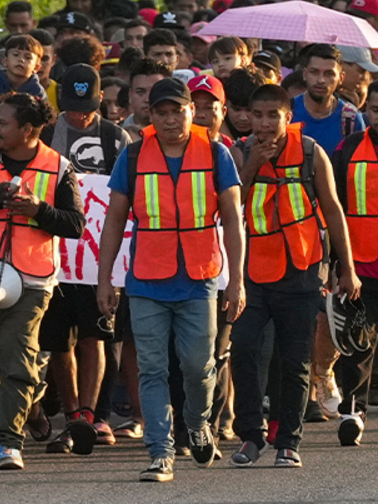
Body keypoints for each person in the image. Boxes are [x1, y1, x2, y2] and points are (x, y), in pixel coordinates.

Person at [97, 78, 245, 482]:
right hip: (146, 279)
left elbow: (233, 220)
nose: (169, 119)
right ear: (151, 115)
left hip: (199, 279)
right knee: (152, 369)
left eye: (176, 111)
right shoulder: (132, 156)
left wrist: (237, 282)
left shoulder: (216, 154)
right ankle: (160, 452)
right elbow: (113, 220)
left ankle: (197, 423)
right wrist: (104, 279)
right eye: (160, 112)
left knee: (199, 366)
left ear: (190, 111)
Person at [0, 94, 85, 470]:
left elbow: (75, 224)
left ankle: (9, 441)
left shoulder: (58, 167)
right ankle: (9, 417)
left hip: (32, 282)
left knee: (16, 355)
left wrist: (38, 210)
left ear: (27, 130)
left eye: (3, 123)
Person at [228, 84, 360, 467]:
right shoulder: (237, 153)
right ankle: (251, 436)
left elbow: (333, 211)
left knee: (295, 361)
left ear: (289, 117)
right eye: (258, 116)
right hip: (250, 272)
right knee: (245, 352)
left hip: (301, 272)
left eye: (274, 116)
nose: (266, 124)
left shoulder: (309, 152)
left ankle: (289, 441)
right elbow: (227, 205)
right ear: (248, 118)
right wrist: (251, 164)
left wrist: (347, 270)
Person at [38, 64, 126, 454]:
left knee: (96, 335)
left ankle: (91, 415)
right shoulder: (43, 134)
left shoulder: (115, 138)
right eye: (73, 107)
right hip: (52, 249)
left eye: (88, 106)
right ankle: (71, 417)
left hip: (97, 254)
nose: (80, 114)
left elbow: (127, 196)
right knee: (59, 340)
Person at [290, 43, 366, 153]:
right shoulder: (287, 112)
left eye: (329, 74)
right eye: (314, 72)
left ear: (341, 78)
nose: (321, 80)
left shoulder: (351, 119)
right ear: (305, 74)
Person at [0, 34, 46, 103]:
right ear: (5, 61)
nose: (21, 60)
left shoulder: (37, 90)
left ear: (36, 67)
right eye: (16, 55)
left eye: (28, 57)